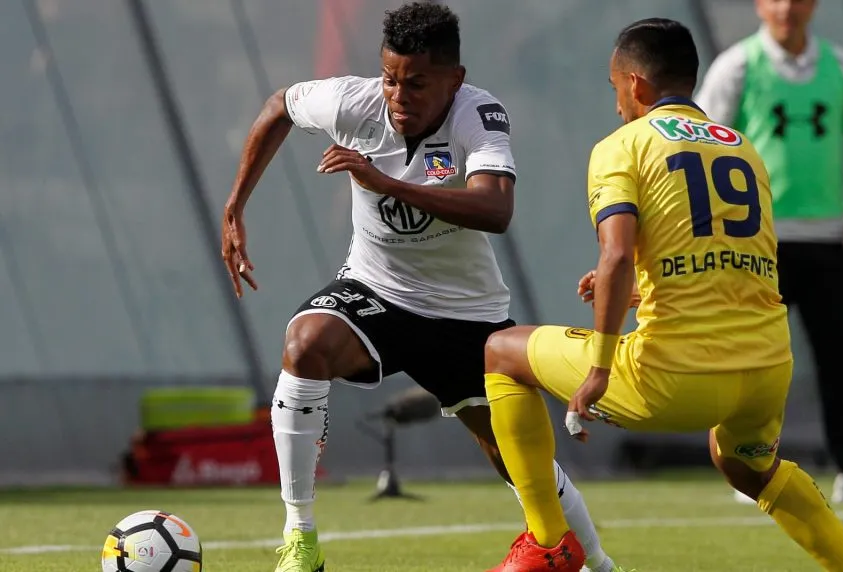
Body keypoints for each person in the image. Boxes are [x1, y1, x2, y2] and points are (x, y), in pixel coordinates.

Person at [220, 4, 617, 572]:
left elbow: (494, 207)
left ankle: (601, 565)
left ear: (454, 80)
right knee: (305, 345)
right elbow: (277, 106)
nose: (398, 95)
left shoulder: (479, 115)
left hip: (466, 313)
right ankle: (300, 539)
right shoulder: (353, 103)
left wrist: (381, 182)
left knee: (517, 460)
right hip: (376, 291)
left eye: (416, 83)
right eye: (390, 78)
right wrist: (236, 204)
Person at [483, 17, 843, 572]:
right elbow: (734, 261)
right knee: (745, 467)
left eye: (615, 86)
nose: (616, 102)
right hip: (764, 372)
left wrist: (598, 368)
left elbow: (615, 254)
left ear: (636, 85)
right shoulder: (743, 149)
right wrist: (644, 284)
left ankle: (549, 544)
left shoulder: (623, 146)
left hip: (672, 381)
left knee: (501, 352)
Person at [694, 0, 843, 506]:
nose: (787, 7)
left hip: (829, 241)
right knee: (752, 362)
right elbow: (701, 146)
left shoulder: (842, 66)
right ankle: (747, 466)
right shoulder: (737, 66)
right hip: (755, 244)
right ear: (761, 5)